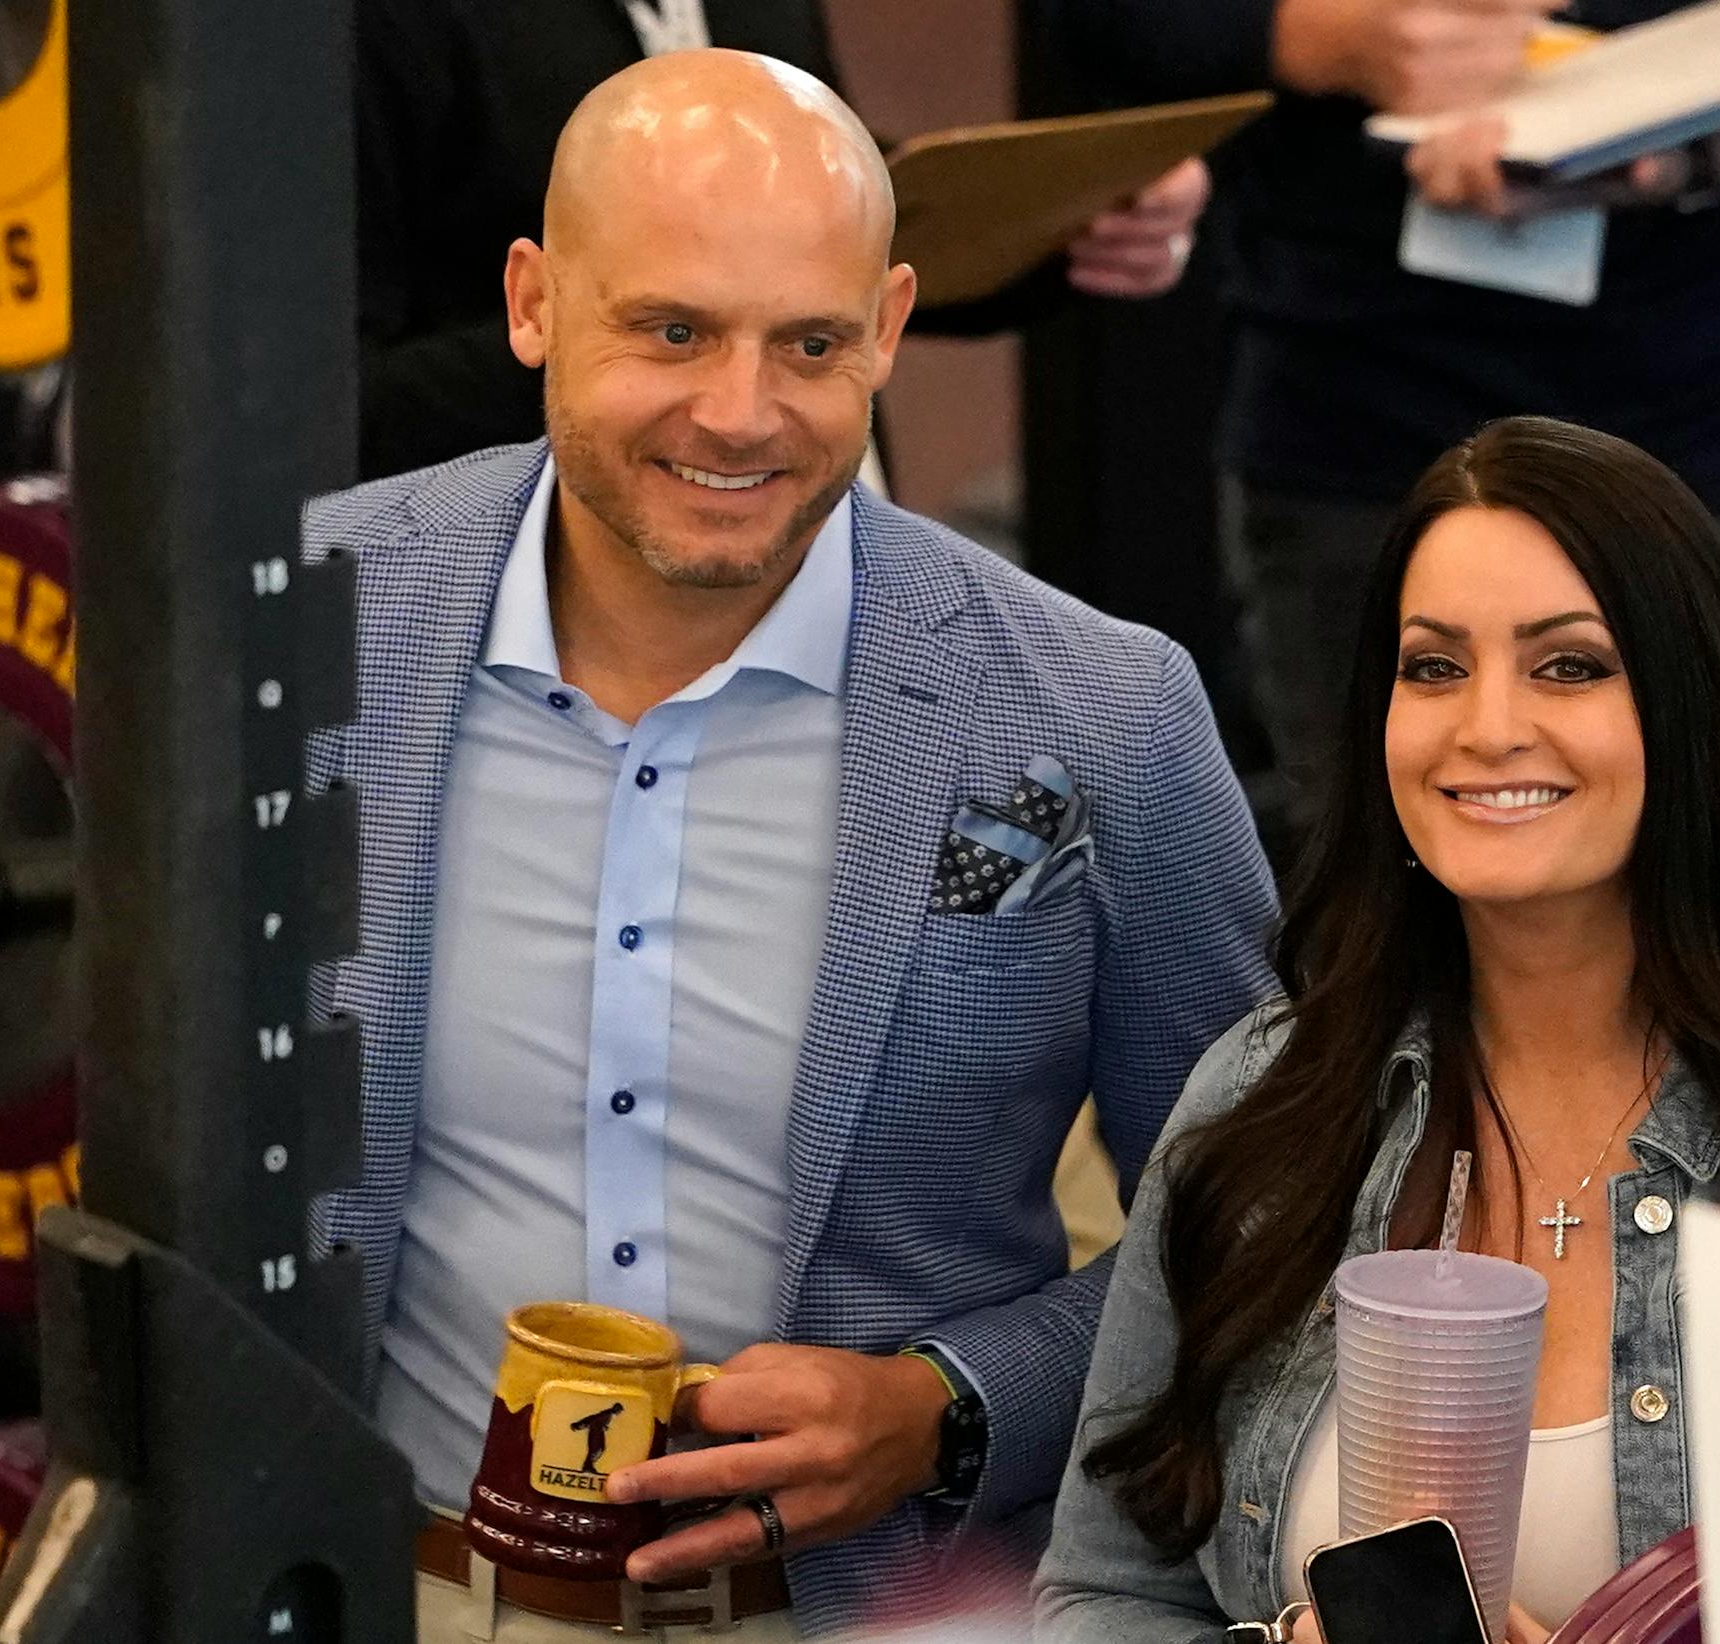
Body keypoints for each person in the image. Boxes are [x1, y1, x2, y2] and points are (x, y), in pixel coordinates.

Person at [304, 49, 1278, 1641]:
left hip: (885, 1611)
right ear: (533, 302)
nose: (740, 414)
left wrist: (950, 1406)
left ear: (890, 328)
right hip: (380, 1587)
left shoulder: (1098, 710)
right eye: (672, 330)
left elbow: (1260, 1215)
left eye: (810, 344)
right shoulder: (312, 623)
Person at [1032, 417, 1720, 1643]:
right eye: (1435, 667)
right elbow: (1103, 1590)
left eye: (1569, 666)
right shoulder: (1263, 1100)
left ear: (1690, 710)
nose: (1488, 728)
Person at [1036, 0, 1720, 875]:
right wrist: (1323, 38)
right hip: (1367, 413)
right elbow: (1106, 27)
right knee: (1395, 930)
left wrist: (1685, 155)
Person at [356, 0, 1212, 478]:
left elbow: (830, 224)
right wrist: (641, 335)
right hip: (552, 553)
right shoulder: (382, 28)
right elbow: (338, 407)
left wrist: (1075, 220)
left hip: (827, 532)